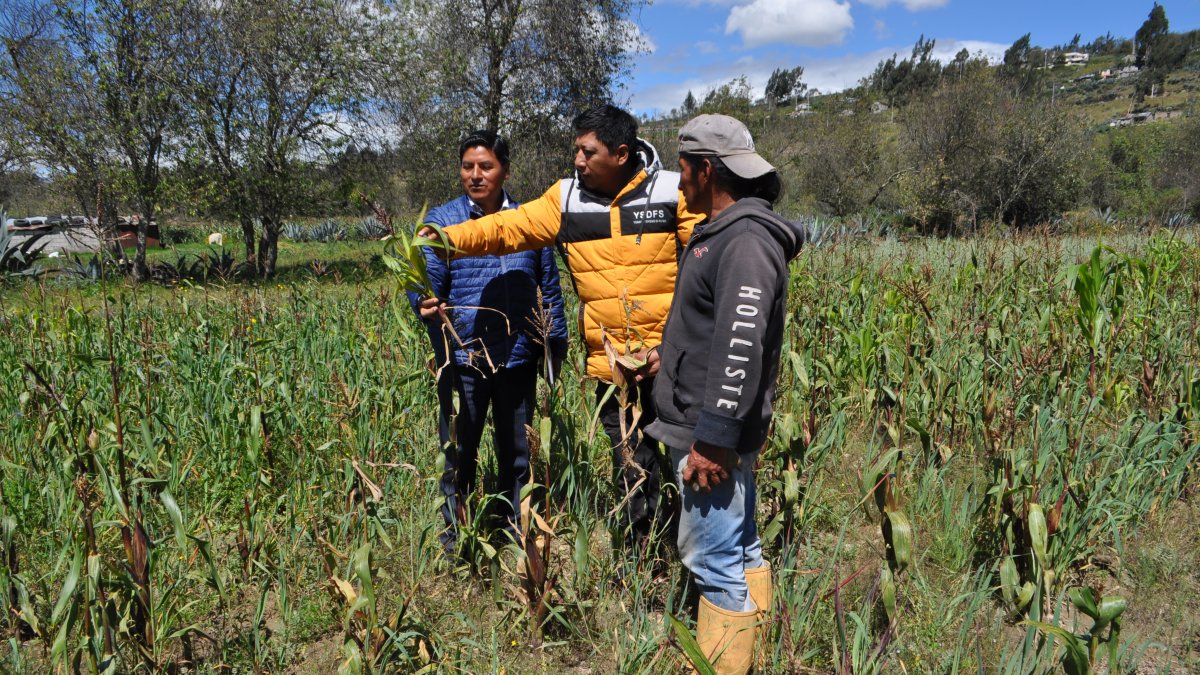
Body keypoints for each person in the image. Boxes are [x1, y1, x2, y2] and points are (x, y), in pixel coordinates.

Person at [419, 105, 703, 567]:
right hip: (616, 368)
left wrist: (668, 345)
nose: (577, 160)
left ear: (621, 153)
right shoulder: (565, 200)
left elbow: (702, 269)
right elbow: (508, 228)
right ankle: (644, 566)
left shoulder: (674, 192)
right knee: (632, 468)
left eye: (587, 152)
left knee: (691, 465)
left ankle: (701, 565)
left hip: (676, 360)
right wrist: (449, 239)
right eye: (576, 150)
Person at [645, 114, 803, 674]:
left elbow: (742, 345)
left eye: (683, 167)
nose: (678, 178)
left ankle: (726, 666)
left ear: (706, 169)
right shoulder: (724, 233)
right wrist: (672, 356)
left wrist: (712, 439)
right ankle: (759, 654)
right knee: (738, 547)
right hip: (711, 421)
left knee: (711, 558)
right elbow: (717, 328)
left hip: (709, 432)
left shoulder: (744, 240)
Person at [408, 130, 568, 557]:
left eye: (486, 166)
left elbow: (548, 290)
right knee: (460, 451)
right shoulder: (442, 223)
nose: (475, 175)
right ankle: (456, 542)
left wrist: (553, 346)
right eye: (467, 166)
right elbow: (424, 285)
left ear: (505, 171)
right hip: (464, 359)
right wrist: (422, 303)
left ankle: (518, 534)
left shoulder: (531, 222)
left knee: (519, 453)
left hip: (517, 359)